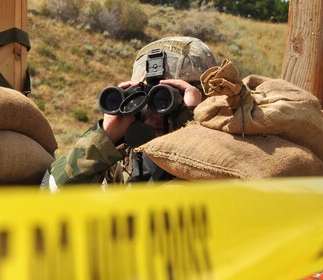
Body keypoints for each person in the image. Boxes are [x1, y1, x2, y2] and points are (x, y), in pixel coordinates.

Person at [46, 36, 218, 191]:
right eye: (147, 98)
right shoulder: (120, 162)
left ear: (206, 98)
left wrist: (188, 122)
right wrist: (105, 137)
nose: (155, 113)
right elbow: (49, 196)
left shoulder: (228, 151)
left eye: (167, 98)